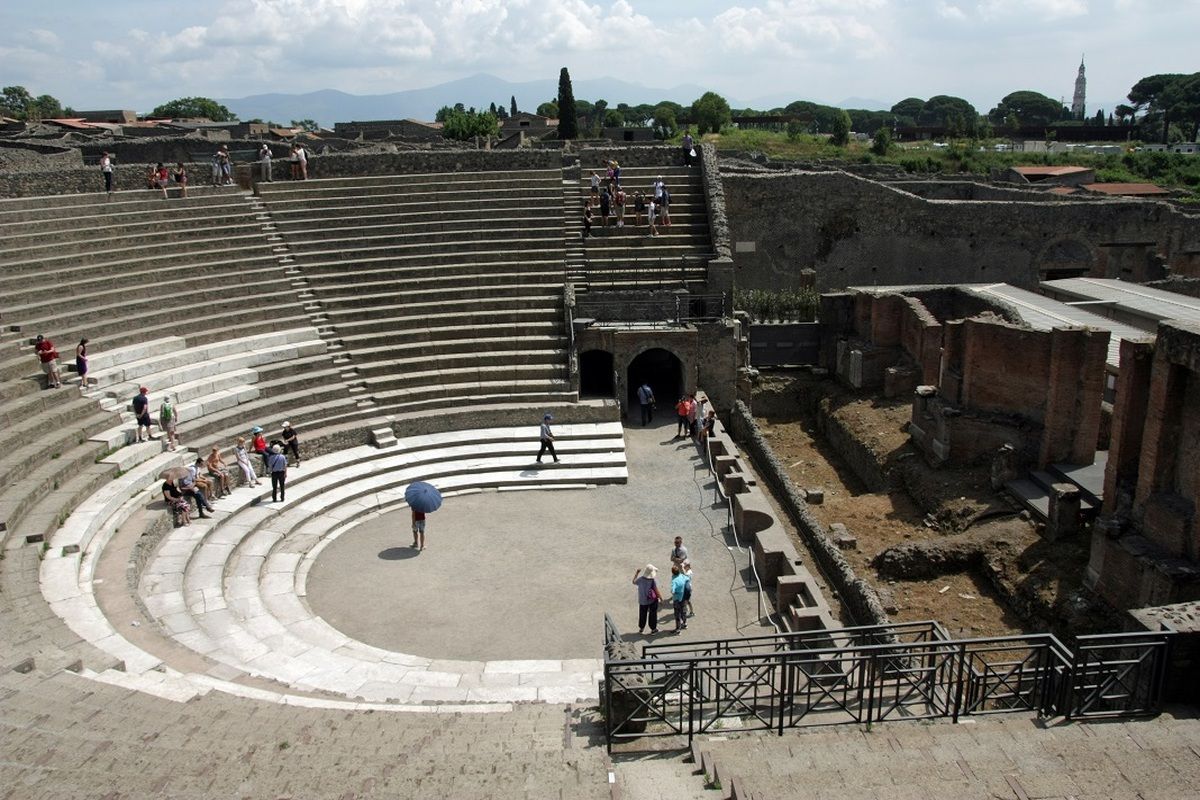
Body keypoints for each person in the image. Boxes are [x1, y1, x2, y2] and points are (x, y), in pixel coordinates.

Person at [633, 564, 661, 635]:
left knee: (642, 614)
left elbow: (634, 581)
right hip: (651, 600)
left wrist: (637, 573)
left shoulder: (640, 579)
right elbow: (656, 590)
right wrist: (661, 598)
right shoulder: (652, 580)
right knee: (653, 614)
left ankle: (641, 628)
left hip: (642, 600)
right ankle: (653, 629)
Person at [670, 566, 690, 632]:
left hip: (677, 599)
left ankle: (678, 629)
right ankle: (684, 624)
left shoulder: (674, 580)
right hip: (683, 597)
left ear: (672, 572)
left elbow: (672, 591)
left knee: (677, 614)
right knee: (683, 612)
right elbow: (688, 578)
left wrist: (674, 592)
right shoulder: (682, 576)